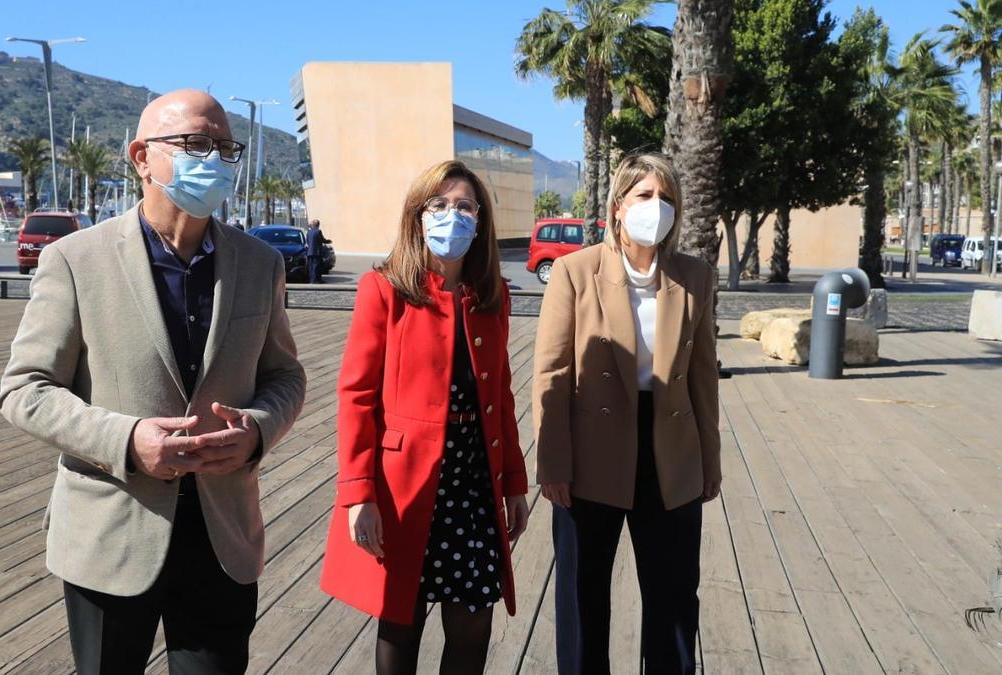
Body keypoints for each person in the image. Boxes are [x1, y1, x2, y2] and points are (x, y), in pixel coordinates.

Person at [0, 89, 307, 674]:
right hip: (112, 534)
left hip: (223, 536)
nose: (211, 159)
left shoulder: (260, 264)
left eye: (223, 147)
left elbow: (285, 375)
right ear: (141, 156)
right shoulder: (74, 260)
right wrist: (127, 441)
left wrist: (259, 431)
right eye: (194, 144)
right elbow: (24, 388)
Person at [320, 160, 530, 675]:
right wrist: (357, 495)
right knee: (400, 620)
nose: (451, 216)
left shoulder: (492, 295)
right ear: (417, 216)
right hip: (403, 487)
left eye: (464, 206)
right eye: (438, 205)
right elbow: (357, 396)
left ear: (479, 221)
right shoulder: (383, 289)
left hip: (473, 481)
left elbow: (500, 395)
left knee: (473, 625)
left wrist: (516, 485)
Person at [532, 152, 721, 674]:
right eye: (644, 196)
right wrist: (553, 465)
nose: (655, 208)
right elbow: (550, 374)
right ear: (618, 206)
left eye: (666, 199)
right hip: (592, 455)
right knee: (583, 596)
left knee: (675, 600)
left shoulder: (696, 277)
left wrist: (711, 459)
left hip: (671, 454)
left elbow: (704, 377)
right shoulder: (575, 271)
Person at [305, 219, 331, 283]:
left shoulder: (309, 232)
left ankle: (311, 279)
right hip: (317, 252)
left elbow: (307, 242)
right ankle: (316, 280)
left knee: (311, 266)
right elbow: (322, 240)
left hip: (309, 252)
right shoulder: (318, 231)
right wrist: (328, 241)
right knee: (316, 266)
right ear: (318, 225)